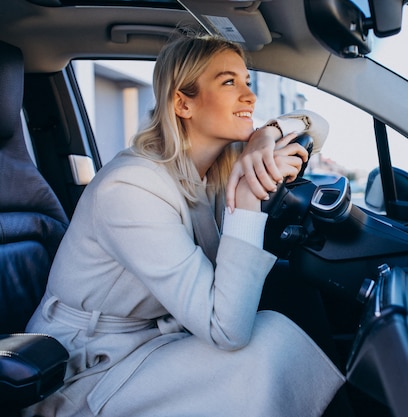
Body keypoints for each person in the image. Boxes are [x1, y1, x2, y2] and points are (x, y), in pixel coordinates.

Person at [23, 31, 345, 417]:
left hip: (155, 339)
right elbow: (227, 331)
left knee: (292, 297)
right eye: (229, 82)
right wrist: (247, 201)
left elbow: (318, 125)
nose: (250, 96)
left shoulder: (215, 168)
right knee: (268, 342)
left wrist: (267, 134)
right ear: (183, 103)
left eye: (248, 81)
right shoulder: (130, 187)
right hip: (84, 370)